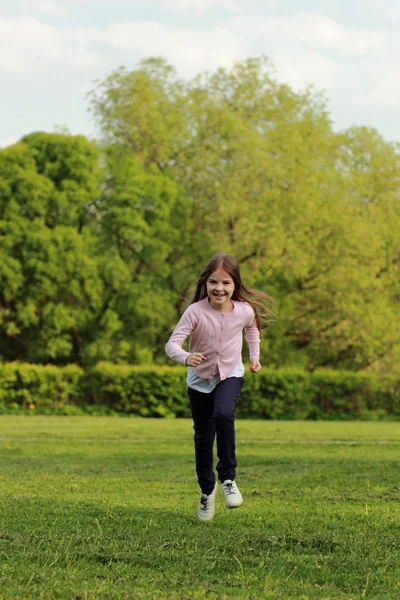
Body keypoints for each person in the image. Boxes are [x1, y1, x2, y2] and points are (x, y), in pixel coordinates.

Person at [165, 253, 276, 521]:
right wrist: (185, 357)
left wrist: (254, 356)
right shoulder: (195, 312)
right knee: (203, 438)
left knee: (224, 415)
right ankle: (207, 491)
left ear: (235, 284)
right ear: (205, 283)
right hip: (199, 381)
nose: (219, 288)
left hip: (231, 374)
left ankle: (227, 478)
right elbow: (172, 345)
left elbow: (252, 329)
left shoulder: (244, 311)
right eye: (213, 282)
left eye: (226, 283)